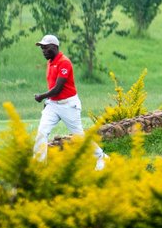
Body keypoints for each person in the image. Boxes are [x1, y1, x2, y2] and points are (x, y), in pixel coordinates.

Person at [33, 34, 108, 169]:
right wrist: (48, 101)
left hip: (68, 105)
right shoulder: (50, 62)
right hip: (53, 105)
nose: (43, 51)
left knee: (79, 136)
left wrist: (42, 96)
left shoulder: (64, 62)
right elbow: (53, 88)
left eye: (46, 48)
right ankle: (38, 168)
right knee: (42, 132)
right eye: (42, 48)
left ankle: (101, 157)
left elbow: (58, 88)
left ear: (55, 47)